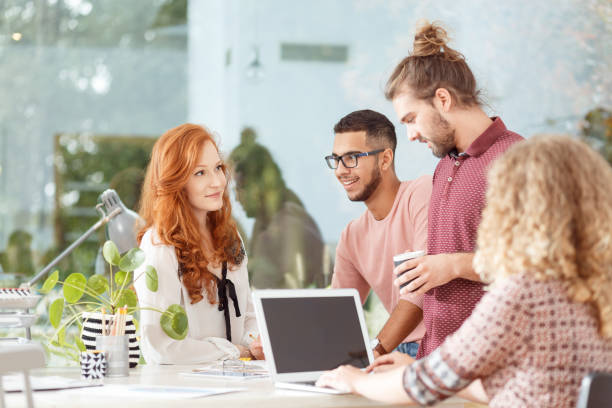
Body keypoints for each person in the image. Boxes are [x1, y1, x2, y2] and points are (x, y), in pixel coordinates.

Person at [317, 135, 612, 407]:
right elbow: (534, 386)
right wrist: (422, 369)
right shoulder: (600, 294)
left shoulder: (524, 294)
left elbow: (423, 386)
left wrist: (355, 380)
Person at [385, 21, 524, 357]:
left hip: (491, 370)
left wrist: (452, 265)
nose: (411, 135)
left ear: (442, 99)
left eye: (411, 119)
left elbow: (536, 265)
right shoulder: (444, 166)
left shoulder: (518, 160)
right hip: (436, 364)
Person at [134, 123, 262, 364]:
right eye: (200, 173)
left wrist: (257, 343)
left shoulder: (230, 237)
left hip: (239, 387)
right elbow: (160, 348)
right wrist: (236, 351)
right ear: (176, 181)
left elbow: (248, 317)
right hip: (187, 393)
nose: (217, 182)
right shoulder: (159, 245)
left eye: (218, 168)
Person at [326, 109, 431, 358]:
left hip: (435, 348)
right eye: (336, 159)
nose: (341, 170)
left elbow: (419, 292)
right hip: (395, 351)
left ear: (385, 159)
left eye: (352, 158)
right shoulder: (352, 235)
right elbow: (337, 314)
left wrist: (376, 350)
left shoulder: (421, 193)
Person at [230, 127, 329, 289]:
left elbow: (286, 290)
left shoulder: (287, 225)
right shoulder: (265, 224)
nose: (235, 197)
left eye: (238, 187)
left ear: (254, 188)